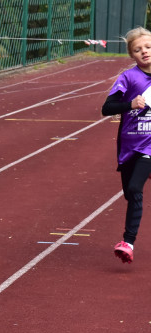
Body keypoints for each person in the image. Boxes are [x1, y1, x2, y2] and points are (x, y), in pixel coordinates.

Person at [102, 27, 151, 264]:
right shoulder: (129, 78)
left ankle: (127, 243)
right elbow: (106, 108)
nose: (144, 52)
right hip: (130, 145)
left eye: (148, 47)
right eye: (137, 49)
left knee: (134, 188)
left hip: (150, 148)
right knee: (130, 194)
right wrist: (130, 104)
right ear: (132, 55)